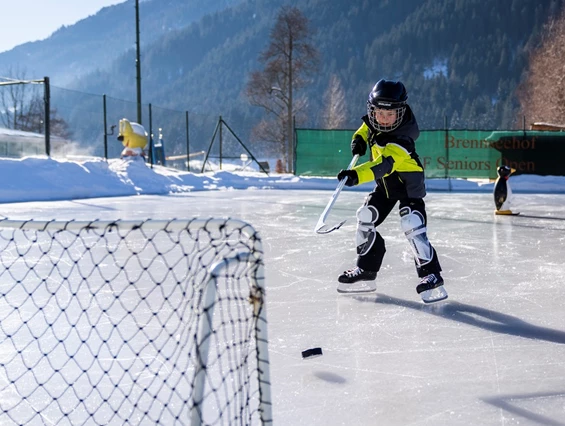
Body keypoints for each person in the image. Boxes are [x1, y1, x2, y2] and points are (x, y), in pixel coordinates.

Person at [336, 79, 447, 302]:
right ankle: (366, 270)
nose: (384, 120)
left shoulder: (403, 138)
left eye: (390, 115)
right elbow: (364, 128)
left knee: (412, 224)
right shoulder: (373, 121)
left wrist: (356, 175)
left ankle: (432, 275)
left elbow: (383, 165)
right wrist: (358, 140)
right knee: (365, 217)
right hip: (385, 185)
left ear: (400, 112)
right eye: (379, 113)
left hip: (408, 186)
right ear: (372, 110)